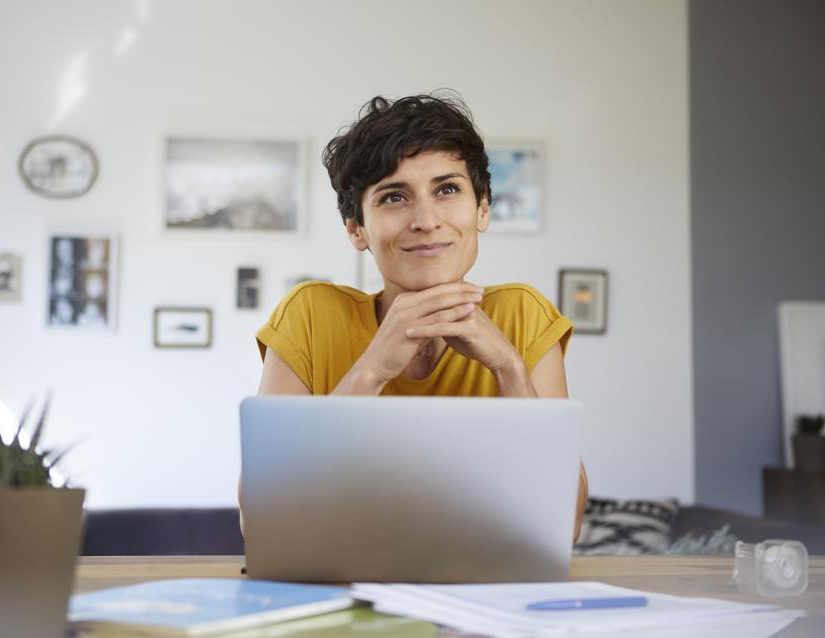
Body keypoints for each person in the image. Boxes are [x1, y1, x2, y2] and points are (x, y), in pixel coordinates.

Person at [247, 93, 588, 539]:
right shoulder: (309, 315)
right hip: (338, 585)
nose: (426, 220)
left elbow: (565, 523)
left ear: (482, 209)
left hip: (486, 592)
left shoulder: (524, 315)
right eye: (393, 197)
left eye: (447, 190)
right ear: (357, 229)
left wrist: (509, 369)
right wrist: (371, 370)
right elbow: (260, 519)